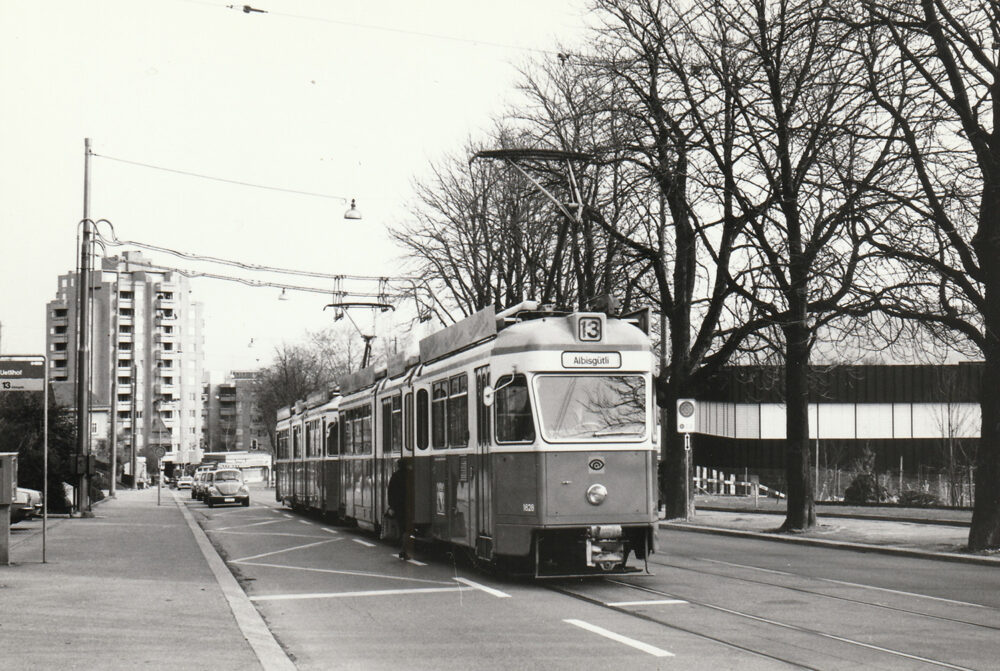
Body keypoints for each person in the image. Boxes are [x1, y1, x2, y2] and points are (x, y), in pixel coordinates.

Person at [387, 459, 409, 559]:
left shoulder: (395, 476)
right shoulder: (409, 475)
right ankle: (404, 550)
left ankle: (403, 549)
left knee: (402, 528)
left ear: (398, 466)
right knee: (406, 529)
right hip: (407, 506)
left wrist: (391, 506)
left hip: (398, 507)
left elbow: (390, 492)